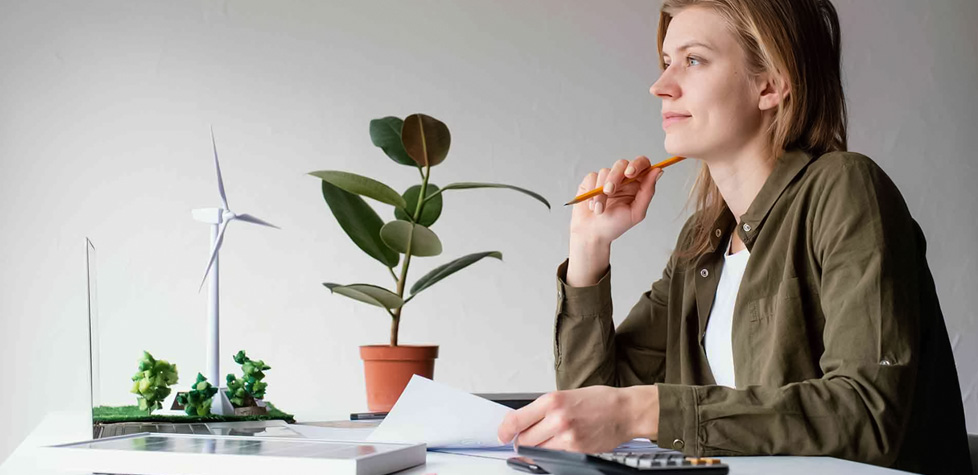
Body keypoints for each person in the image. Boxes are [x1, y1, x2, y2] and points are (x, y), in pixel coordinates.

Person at [496, 0, 971, 473]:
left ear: (770, 84)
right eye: (666, 63)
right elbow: (592, 408)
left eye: (693, 60)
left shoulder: (845, 189)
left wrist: (643, 411)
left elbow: (866, 413)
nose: (661, 86)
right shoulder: (701, 242)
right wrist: (589, 249)